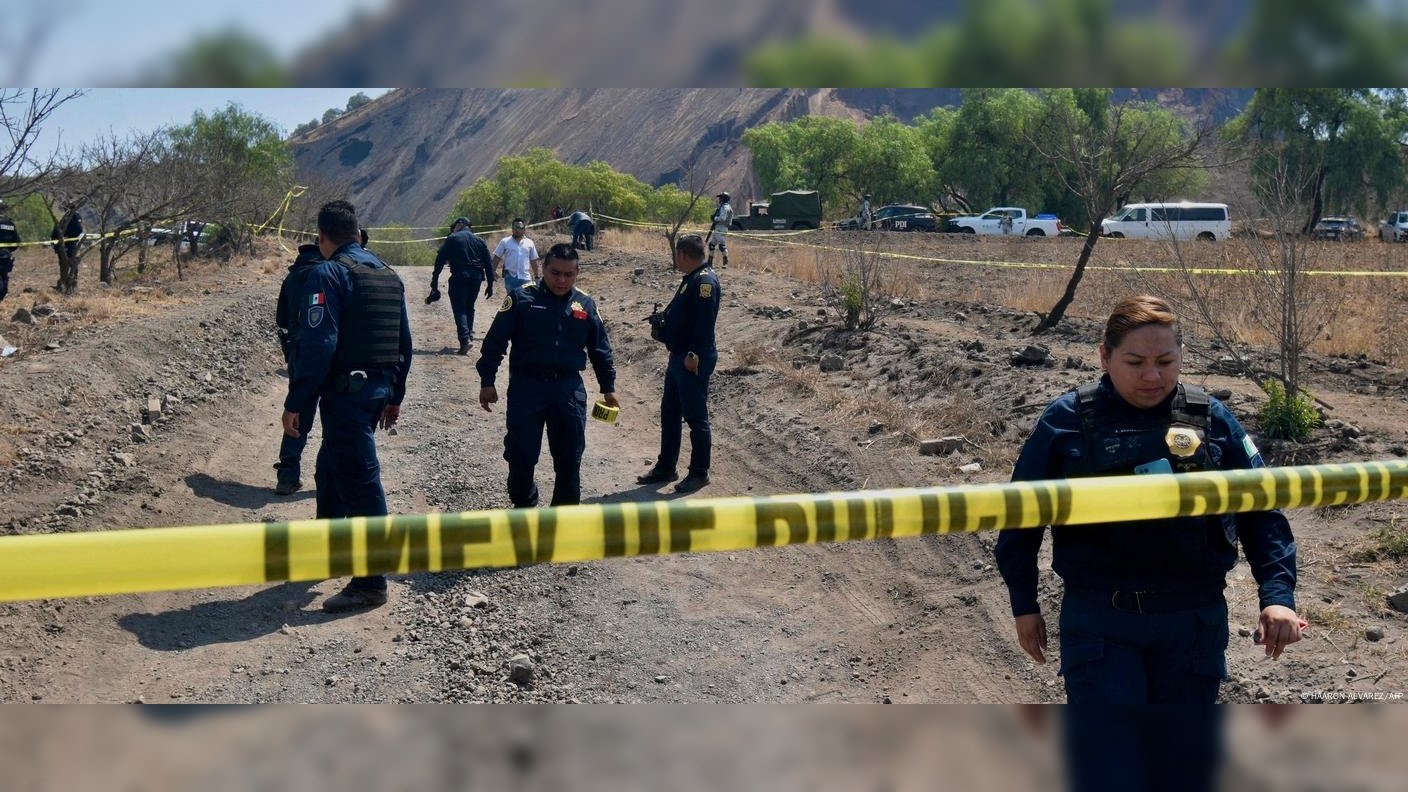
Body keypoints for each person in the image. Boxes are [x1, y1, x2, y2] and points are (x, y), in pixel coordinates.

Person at [994, 295, 1301, 704]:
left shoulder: (1212, 420)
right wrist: (1024, 604)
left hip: (1192, 624)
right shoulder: (1065, 422)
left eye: (1166, 361)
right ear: (1105, 357)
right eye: (1135, 362)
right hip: (1100, 622)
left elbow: (1262, 514)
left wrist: (1278, 598)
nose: (1152, 376)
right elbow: (1020, 520)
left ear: (1182, 356)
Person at [282, 200, 413, 613]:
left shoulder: (329, 272)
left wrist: (296, 401)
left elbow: (319, 344)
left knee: (360, 480)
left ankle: (371, 582)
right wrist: (395, 396)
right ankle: (330, 547)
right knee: (330, 466)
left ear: (322, 237)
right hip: (374, 393)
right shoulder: (386, 273)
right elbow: (404, 344)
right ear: (357, 233)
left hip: (347, 396)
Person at [476, 243, 617, 509]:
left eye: (569, 274)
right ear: (543, 268)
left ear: (577, 273)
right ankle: (525, 511)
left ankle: (561, 522)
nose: (561, 280)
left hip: (568, 389)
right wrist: (487, 381)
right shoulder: (522, 298)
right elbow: (495, 342)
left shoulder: (585, 304)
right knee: (521, 456)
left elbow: (600, 349)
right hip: (527, 388)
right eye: (556, 273)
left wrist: (608, 387)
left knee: (569, 459)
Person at [636, 234, 720, 494]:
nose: (676, 260)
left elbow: (705, 324)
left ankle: (699, 472)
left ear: (683, 254)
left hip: (691, 358)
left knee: (695, 417)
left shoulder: (704, 282)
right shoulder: (692, 278)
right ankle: (666, 466)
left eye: (676, 255)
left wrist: (693, 355)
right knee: (670, 412)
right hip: (678, 355)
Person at [271, 241, 326, 495]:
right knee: (335, 413)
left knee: (298, 411)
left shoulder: (292, 278)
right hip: (328, 349)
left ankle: (287, 475)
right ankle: (329, 477)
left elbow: (281, 319)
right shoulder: (330, 273)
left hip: (298, 350)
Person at [429, 216, 494, 355]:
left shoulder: (453, 238)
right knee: (469, 306)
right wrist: (490, 284)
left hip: (459, 277)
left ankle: (465, 340)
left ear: (460, 224)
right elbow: (489, 264)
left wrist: (435, 280)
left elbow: (440, 259)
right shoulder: (480, 241)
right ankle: (469, 334)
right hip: (476, 278)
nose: (453, 229)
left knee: (459, 308)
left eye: (454, 227)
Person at [492, 218, 541, 296]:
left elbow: (533, 260)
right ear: (512, 228)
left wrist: (536, 276)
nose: (517, 230)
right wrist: (492, 270)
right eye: (515, 227)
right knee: (512, 300)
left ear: (524, 229)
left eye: (520, 228)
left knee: (526, 300)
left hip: (525, 278)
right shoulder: (505, 242)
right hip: (510, 278)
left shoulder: (530, 243)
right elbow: (497, 257)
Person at [0, 199, 19, 304]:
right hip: (6, 256)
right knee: (4, 277)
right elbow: (17, 242)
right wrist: (7, 250)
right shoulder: (10, 224)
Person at [706, 192, 732, 268]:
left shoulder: (725, 207)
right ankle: (709, 263)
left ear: (723, 199)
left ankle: (725, 264)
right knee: (711, 245)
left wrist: (714, 218)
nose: (719, 199)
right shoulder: (725, 207)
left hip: (721, 228)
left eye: (720, 198)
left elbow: (722, 218)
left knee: (721, 246)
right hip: (718, 228)